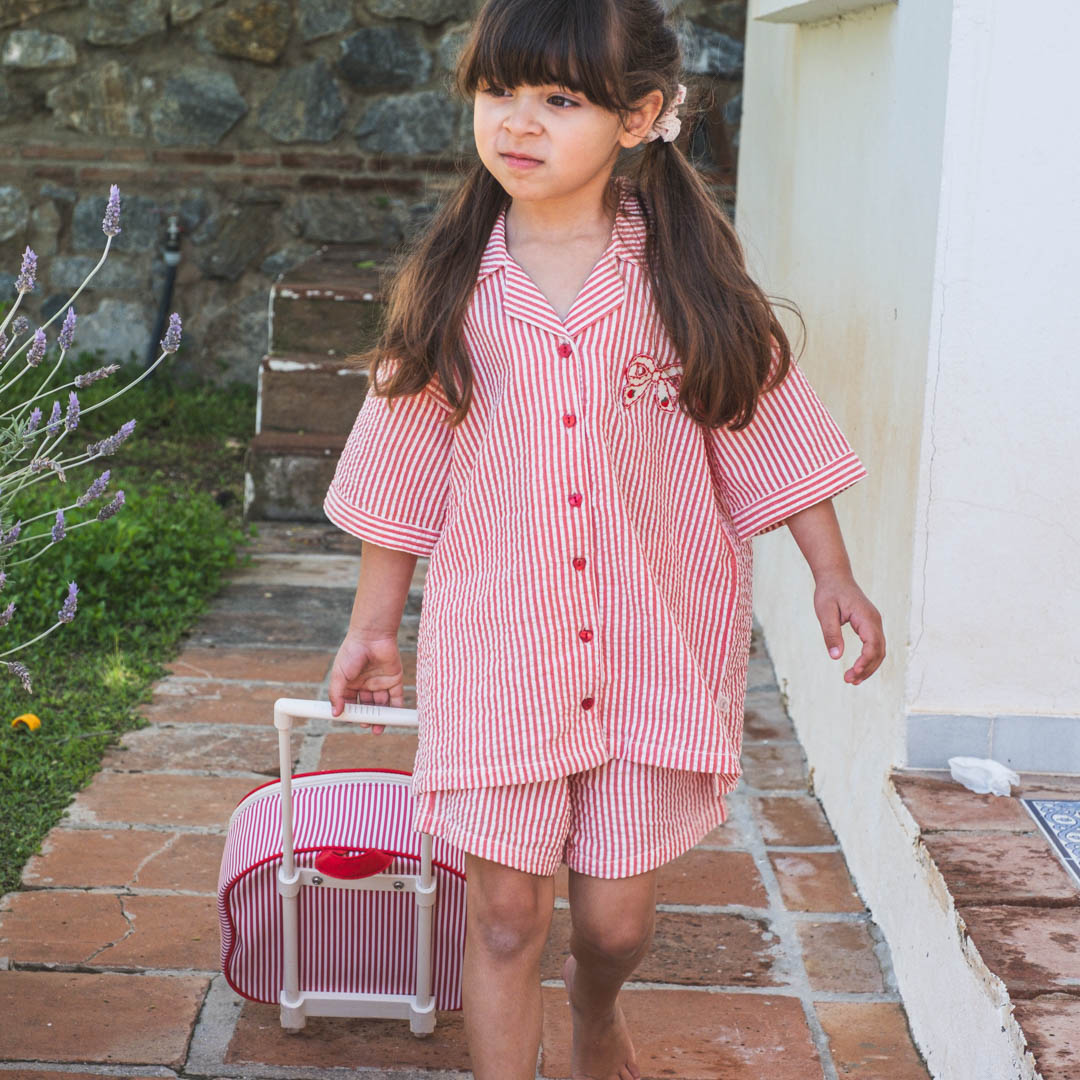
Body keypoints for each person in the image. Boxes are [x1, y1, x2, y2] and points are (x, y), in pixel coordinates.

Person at [323, 1, 886, 1077]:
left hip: (650, 651)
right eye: (498, 91)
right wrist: (373, 629)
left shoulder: (685, 283)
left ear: (637, 116)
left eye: (559, 99)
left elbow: (766, 419)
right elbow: (397, 470)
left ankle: (596, 1007)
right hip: (502, 652)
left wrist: (833, 573)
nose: (517, 122)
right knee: (503, 920)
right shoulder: (452, 291)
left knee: (615, 927)